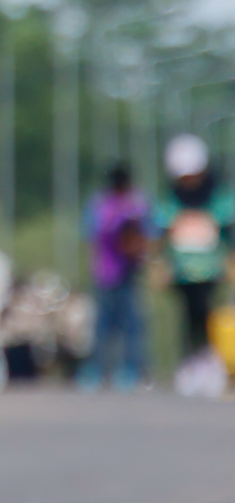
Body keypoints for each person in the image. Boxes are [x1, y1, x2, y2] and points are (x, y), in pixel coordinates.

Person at [157, 135, 234, 392]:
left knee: (208, 315)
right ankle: (190, 363)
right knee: (188, 317)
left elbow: (227, 232)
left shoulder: (218, 198)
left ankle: (212, 362)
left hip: (211, 270)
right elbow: (162, 236)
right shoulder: (172, 200)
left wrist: (230, 261)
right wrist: (161, 265)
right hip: (183, 271)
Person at [83, 162, 152, 388]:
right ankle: (99, 369)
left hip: (127, 272)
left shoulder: (134, 203)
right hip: (107, 272)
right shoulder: (105, 205)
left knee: (130, 324)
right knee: (104, 325)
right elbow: (94, 235)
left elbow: (147, 233)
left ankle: (132, 368)